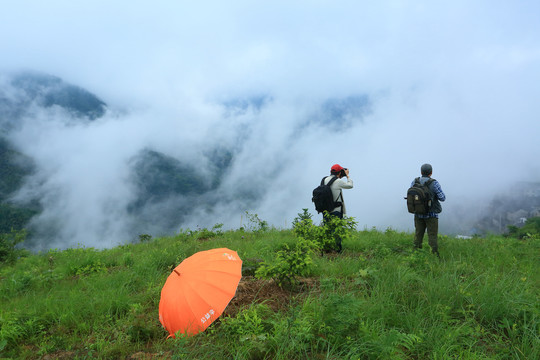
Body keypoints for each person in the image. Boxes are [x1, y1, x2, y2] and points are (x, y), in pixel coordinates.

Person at [411, 163, 446, 256]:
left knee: (418, 234)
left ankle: (415, 253)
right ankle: (434, 255)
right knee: (432, 236)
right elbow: (442, 198)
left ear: (421, 172)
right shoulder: (434, 183)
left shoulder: (415, 181)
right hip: (431, 214)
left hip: (418, 213)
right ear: (431, 173)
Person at [322, 164, 353, 252]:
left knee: (327, 229)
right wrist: (347, 176)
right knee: (336, 231)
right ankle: (337, 250)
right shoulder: (338, 181)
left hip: (325, 209)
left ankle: (327, 249)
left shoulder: (324, 180)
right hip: (336, 210)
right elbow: (350, 185)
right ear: (339, 173)